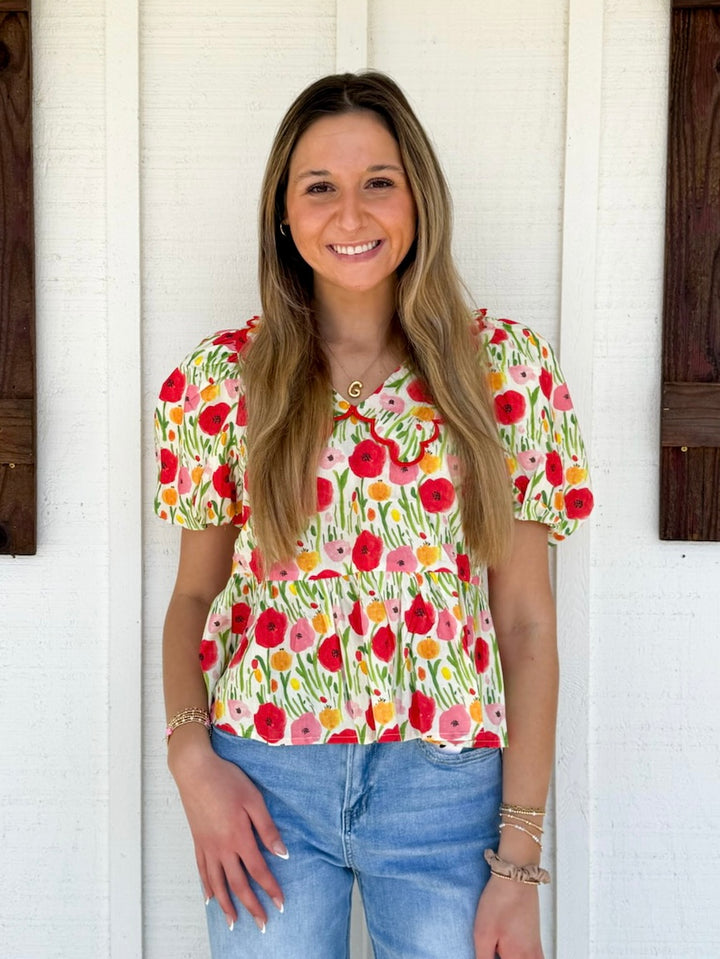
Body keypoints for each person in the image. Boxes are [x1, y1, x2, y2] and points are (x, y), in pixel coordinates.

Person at [154, 71, 593, 959]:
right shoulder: (223, 381)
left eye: (378, 182)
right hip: (265, 785)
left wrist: (519, 861)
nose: (350, 214)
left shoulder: (503, 375)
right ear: (284, 213)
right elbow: (194, 597)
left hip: (445, 796)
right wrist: (191, 759)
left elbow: (526, 622)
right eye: (320, 187)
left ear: (418, 198)